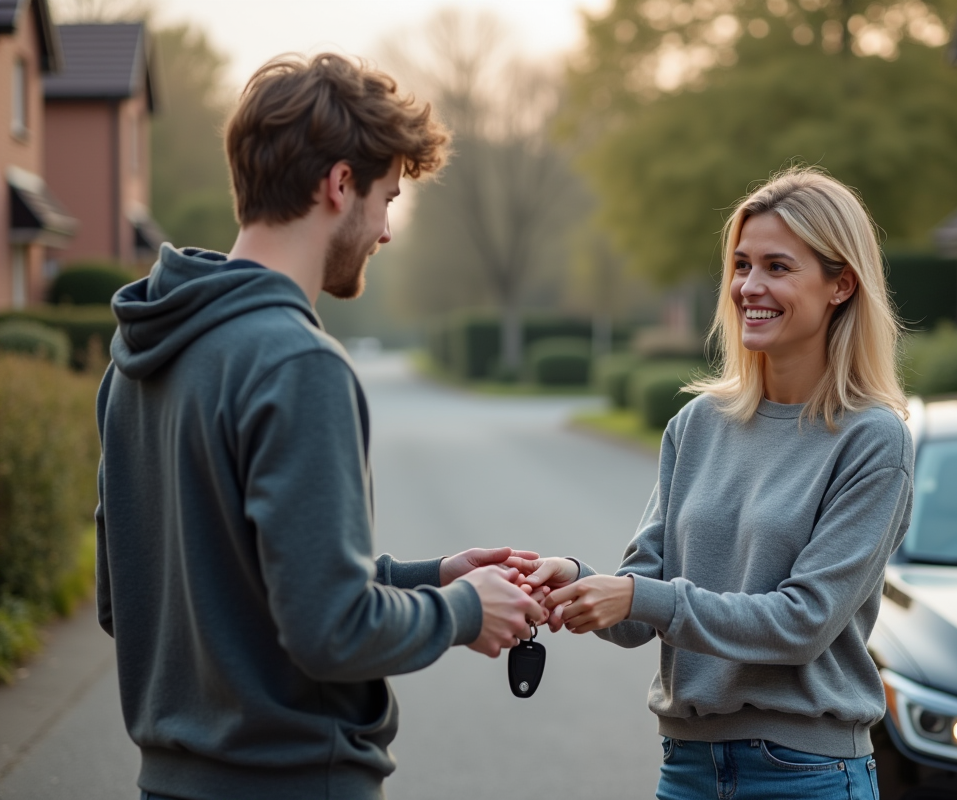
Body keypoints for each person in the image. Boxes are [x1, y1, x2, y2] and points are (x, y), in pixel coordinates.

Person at [95, 53, 546, 800]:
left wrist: (425, 579)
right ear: (340, 185)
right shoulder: (297, 363)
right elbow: (332, 630)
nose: (386, 232)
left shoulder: (140, 353)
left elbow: (132, 602)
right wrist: (464, 611)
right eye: (387, 200)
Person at [513, 168, 913, 800]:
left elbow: (803, 623)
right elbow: (640, 607)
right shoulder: (697, 424)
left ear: (841, 284)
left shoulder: (871, 440)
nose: (749, 287)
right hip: (688, 769)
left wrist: (640, 598)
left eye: (778, 267)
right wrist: (577, 580)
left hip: (806, 775)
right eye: (742, 265)